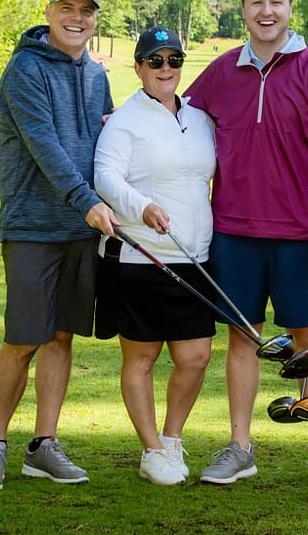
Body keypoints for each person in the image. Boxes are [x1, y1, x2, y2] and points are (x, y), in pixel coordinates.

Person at [184, 0, 308, 488]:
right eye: (257, 2)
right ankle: (240, 447)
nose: (267, 11)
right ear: (243, 9)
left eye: (276, 2)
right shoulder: (221, 72)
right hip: (233, 231)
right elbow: (174, 116)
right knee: (243, 338)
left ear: (289, 7)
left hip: (300, 234)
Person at [0, 0, 119, 492]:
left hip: (80, 230)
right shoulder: (24, 70)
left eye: (87, 10)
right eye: (67, 8)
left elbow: (107, 145)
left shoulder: (97, 75)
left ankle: (43, 446)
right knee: (23, 339)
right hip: (32, 226)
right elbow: (45, 146)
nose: (77, 18)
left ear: (95, 18)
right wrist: (88, 202)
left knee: (61, 336)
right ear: (50, 12)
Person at [93, 26, 217, 486]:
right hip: (142, 257)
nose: (166, 68)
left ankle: (172, 438)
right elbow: (105, 175)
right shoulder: (124, 121)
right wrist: (141, 207)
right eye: (156, 60)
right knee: (142, 358)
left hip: (195, 256)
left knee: (195, 357)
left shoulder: (199, 119)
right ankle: (151, 450)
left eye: (174, 59)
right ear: (139, 67)